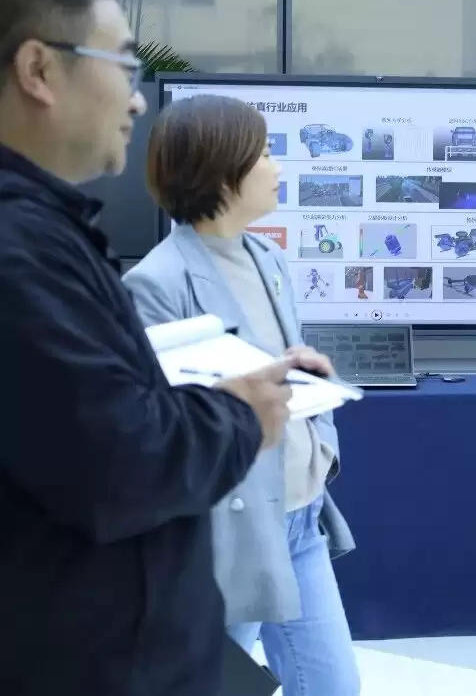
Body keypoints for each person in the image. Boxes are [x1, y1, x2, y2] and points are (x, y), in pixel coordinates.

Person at [0, 0, 319, 696]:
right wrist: (239, 414)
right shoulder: (22, 250)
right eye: (125, 67)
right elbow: (118, 461)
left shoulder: (50, 234)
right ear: (39, 69)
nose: (139, 100)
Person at [122, 94, 360, 695]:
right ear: (220, 169)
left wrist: (317, 424)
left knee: (334, 686)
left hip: (302, 516)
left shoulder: (267, 257)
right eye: (265, 153)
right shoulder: (156, 282)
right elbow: (164, 422)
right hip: (231, 531)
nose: (277, 167)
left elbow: (273, 364)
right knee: (211, 685)